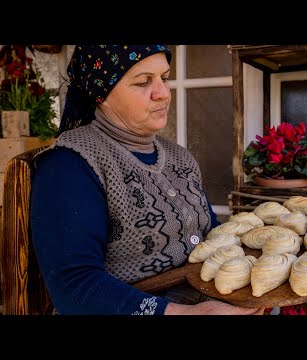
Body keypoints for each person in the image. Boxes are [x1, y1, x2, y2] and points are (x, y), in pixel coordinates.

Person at [30, 45, 264, 315]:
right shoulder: (69, 166)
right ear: (101, 94)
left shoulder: (180, 158)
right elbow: (75, 288)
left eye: (164, 78)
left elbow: (211, 236)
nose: (163, 93)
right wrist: (184, 314)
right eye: (143, 82)